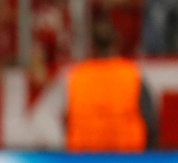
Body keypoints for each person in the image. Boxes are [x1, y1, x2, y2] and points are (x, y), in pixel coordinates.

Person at [65, 18, 158, 152]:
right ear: (117, 42)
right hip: (128, 157)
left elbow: (62, 121)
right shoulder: (131, 75)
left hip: (83, 159)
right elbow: (151, 123)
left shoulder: (75, 77)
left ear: (92, 45)